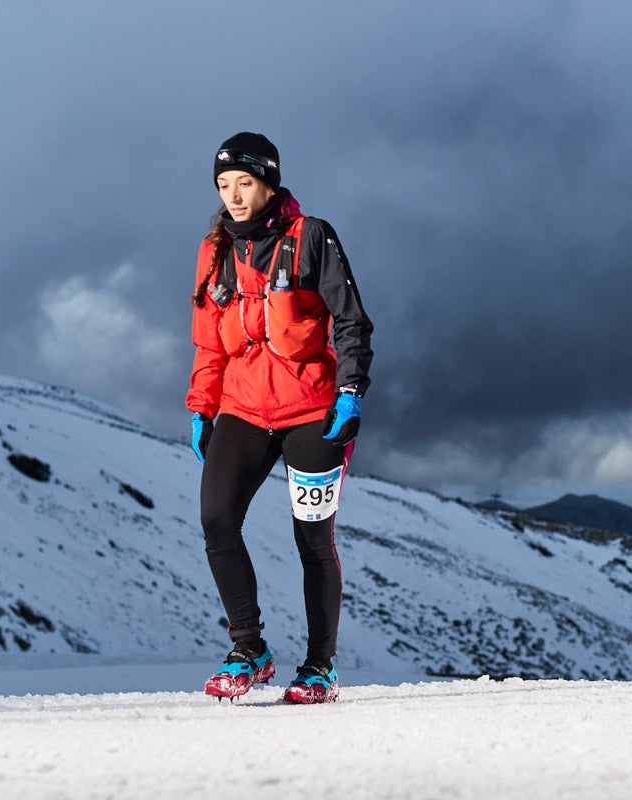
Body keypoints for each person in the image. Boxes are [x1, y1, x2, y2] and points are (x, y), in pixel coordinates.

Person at [186, 132, 374, 704]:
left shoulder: (311, 236)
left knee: (311, 539)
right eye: (224, 185)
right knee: (217, 520)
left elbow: (352, 322)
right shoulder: (214, 250)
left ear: (269, 182)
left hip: (312, 410)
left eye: (245, 182)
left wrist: (350, 391)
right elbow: (207, 343)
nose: (235, 196)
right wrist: (201, 407)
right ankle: (249, 649)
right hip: (242, 408)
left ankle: (320, 667)